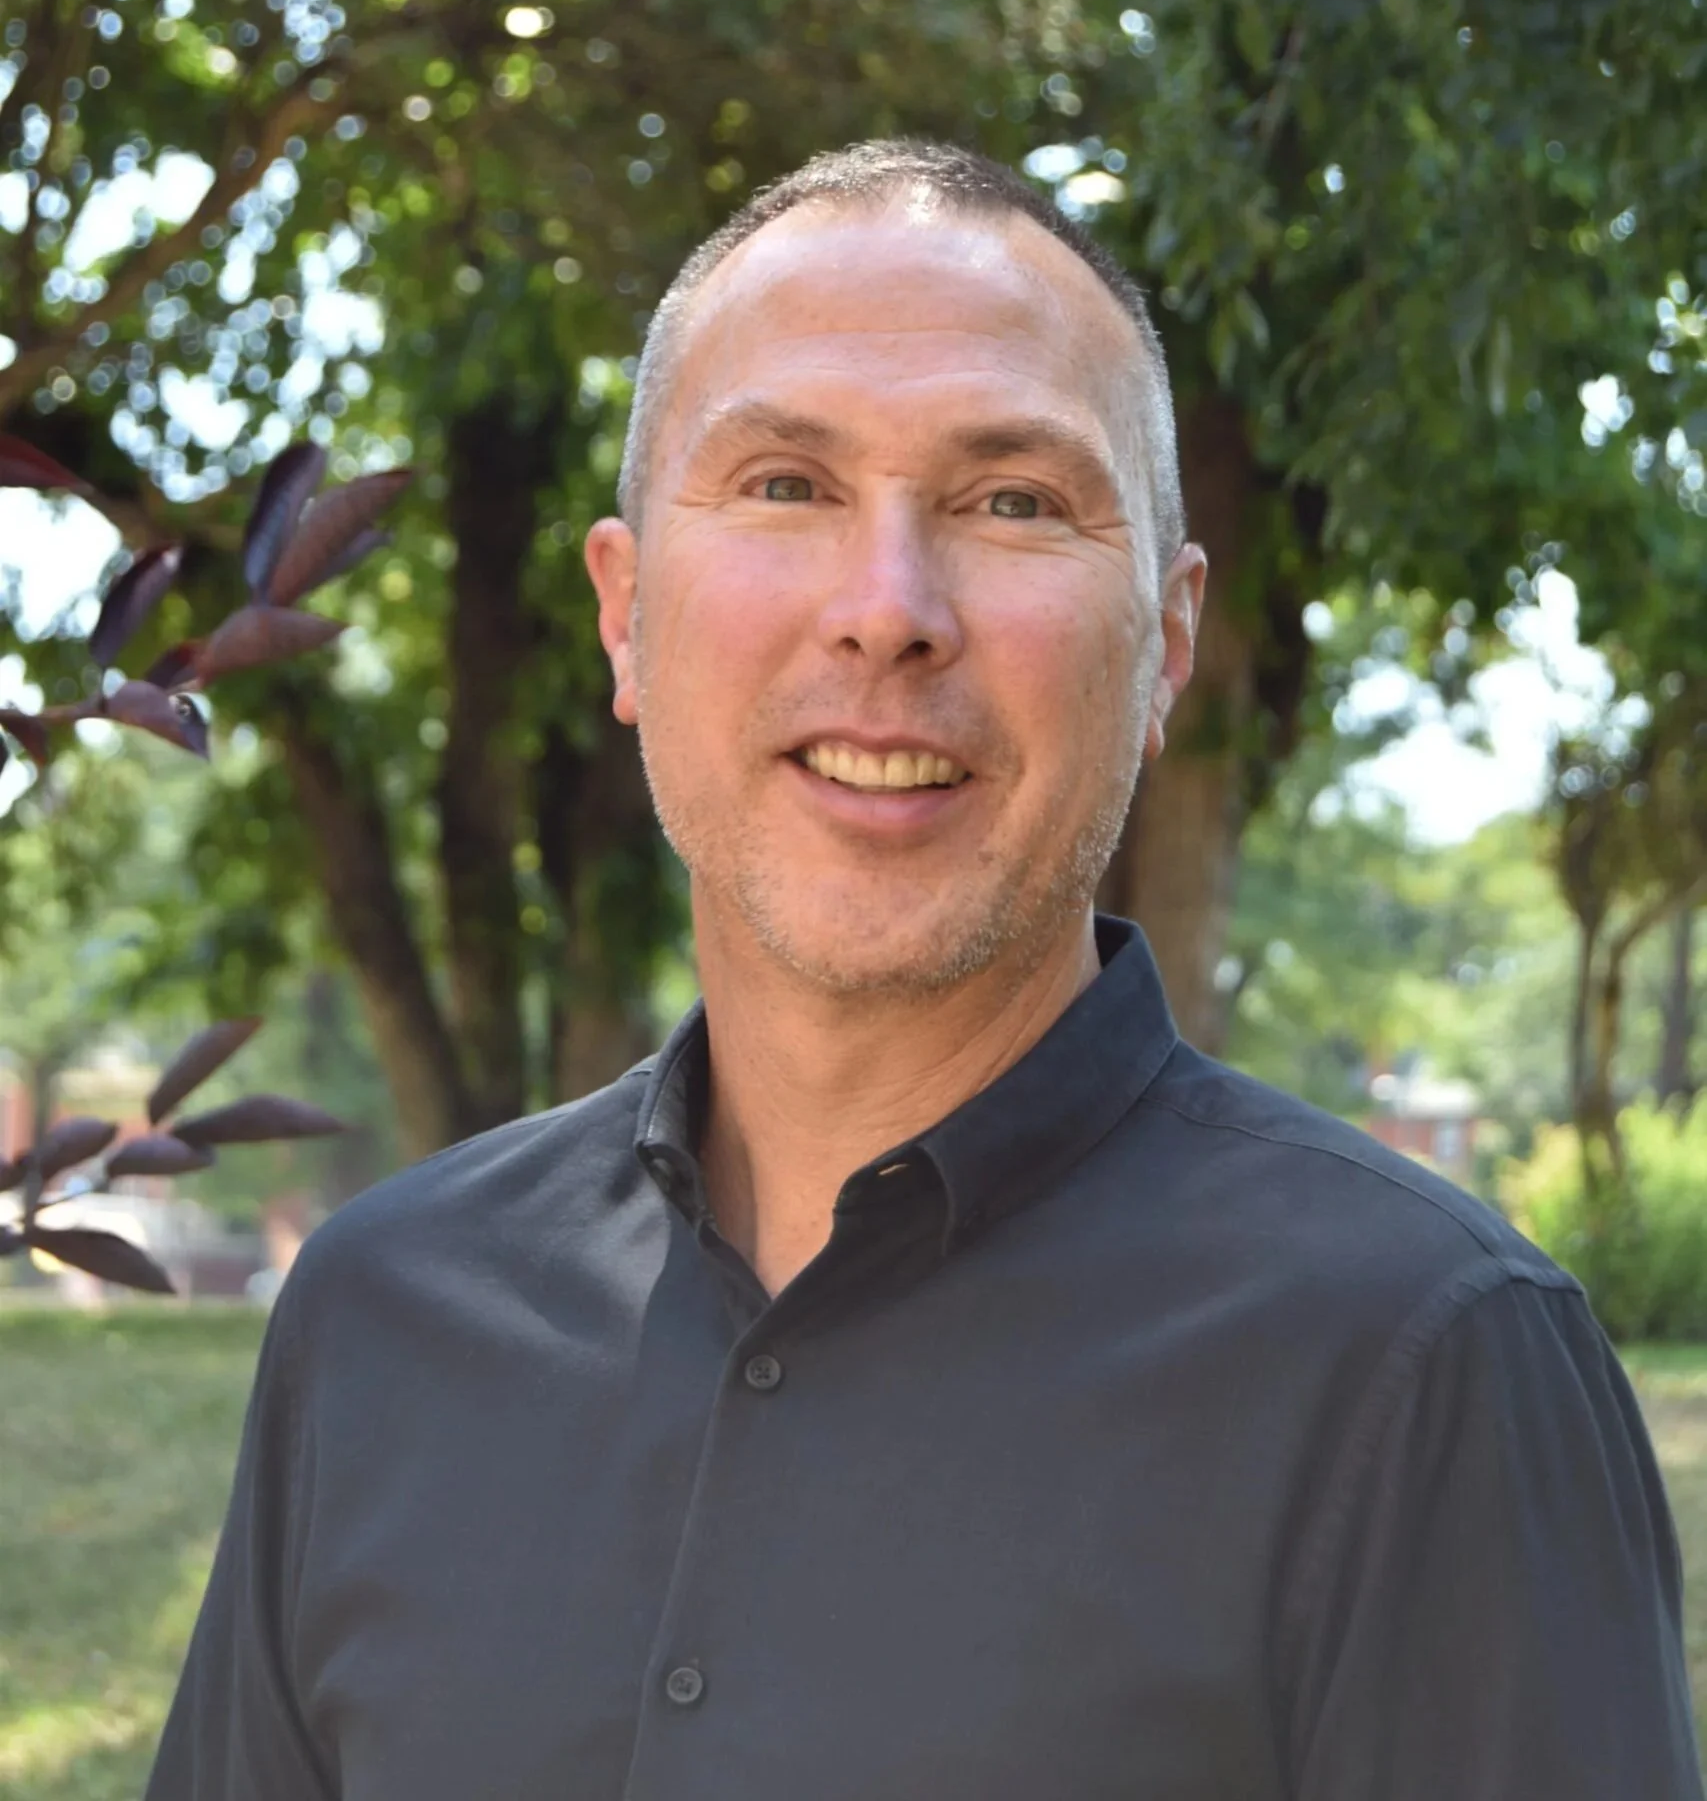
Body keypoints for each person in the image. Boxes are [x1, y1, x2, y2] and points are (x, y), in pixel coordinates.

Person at [148, 141, 1703, 1801]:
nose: (885, 612)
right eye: (784, 486)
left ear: (1164, 642)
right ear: (624, 618)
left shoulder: (1422, 1368)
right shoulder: (378, 1323)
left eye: (1011, 501)